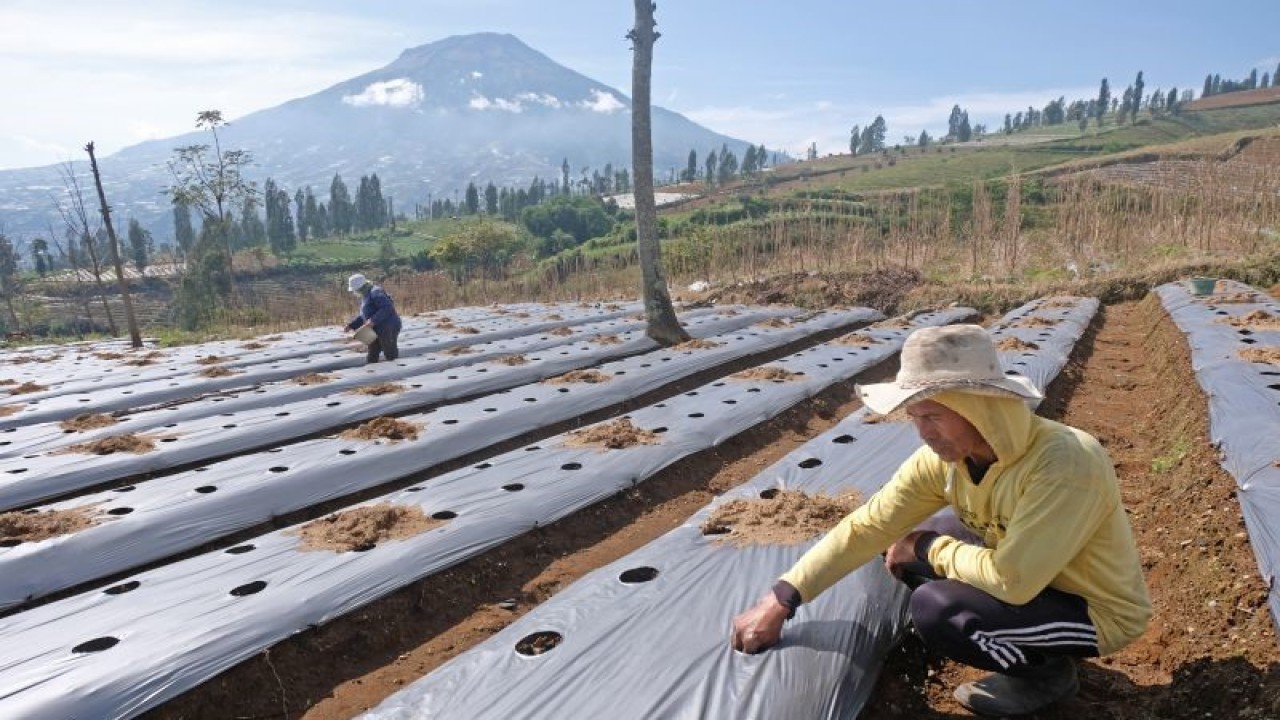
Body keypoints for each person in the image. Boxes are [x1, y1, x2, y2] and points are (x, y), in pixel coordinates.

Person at [730, 324, 1150, 717]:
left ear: (979, 409)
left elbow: (1014, 581)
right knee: (928, 538)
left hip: (1092, 610)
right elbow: (868, 525)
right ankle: (1036, 645)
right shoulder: (945, 461)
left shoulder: (1063, 462)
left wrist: (928, 548)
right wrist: (782, 598)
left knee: (937, 608)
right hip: (1035, 577)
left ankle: (1045, 675)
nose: (923, 433)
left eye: (932, 416)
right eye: (915, 417)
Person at [344, 273, 402, 363]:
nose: (355, 292)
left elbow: (387, 307)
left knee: (389, 351)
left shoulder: (375, 292)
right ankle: (374, 370)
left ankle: (396, 373)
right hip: (375, 329)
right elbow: (364, 315)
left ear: (361, 287)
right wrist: (351, 325)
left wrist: (373, 320)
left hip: (388, 327)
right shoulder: (366, 295)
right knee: (373, 352)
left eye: (355, 290)